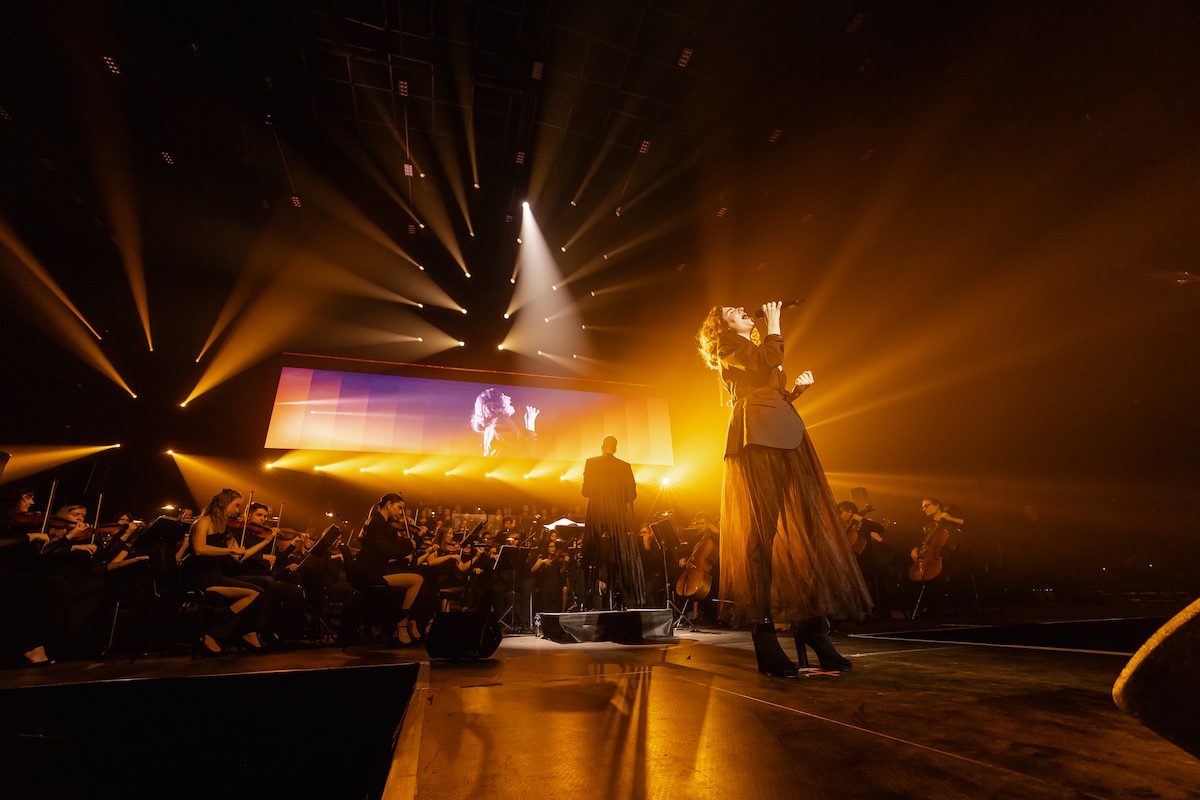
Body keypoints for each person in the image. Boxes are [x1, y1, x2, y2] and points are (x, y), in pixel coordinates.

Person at [695, 300, 871, 677]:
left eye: (741, 308)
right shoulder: (729, 346)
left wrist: (794, 392)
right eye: (731, 310)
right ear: (721, 327)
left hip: (787, 434)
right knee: (764, 534)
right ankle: (764, 633)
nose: (742, 309)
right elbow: (763, 365)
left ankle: (811, 628)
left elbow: (767, 382)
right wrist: (774, 321)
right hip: (756, 439)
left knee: (807, 532)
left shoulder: (755, 350)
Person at [184, 489, 268, 655]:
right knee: (252, 594)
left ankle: (228, 633)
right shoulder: (203, 522)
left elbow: (239, 557)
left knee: (259, 592)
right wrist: (228, 551)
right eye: (236, 505)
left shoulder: (224, 529)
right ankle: (212, 634)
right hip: (199, 577)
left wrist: (265, 541)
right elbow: (199, 549)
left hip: (216, 576)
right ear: (224, 503)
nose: (237, 510)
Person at [580, 435, 644, 609]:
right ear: (615, 448)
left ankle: (588, 601)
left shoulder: (591, 463)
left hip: (597, 518)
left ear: (602, 446)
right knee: (619, 557)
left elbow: (585, 492)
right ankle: (623, 600)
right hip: (617, 520)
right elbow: (632, 495)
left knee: (592, 555)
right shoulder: (625, 466)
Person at [353, 493, 426, 644]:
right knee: (417, 580)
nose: (401, 513)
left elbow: (391, 549)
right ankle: (402, 622)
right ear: (388, 504)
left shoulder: (382, 524)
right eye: (399, 508)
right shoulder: (376, 524)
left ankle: (412, 620)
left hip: (378, 568)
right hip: (370, 573)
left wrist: (407, 549)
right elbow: (388, 550)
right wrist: (414, 542)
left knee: (421, 578)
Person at [470, 387, 540, 457]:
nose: (509, 397)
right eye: (502, 396)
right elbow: (525, 451)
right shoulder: (500, 421)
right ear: (493, 405)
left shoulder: (490, 427)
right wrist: (530, 422)